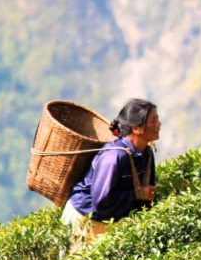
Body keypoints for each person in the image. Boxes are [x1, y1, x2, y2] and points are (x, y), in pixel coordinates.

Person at [61, 98, 159, 251]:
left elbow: (147, 194)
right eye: (154, 121)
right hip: (85, 219)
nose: (159, 125)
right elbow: (101, 201)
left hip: (109, 222)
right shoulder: (113, 157)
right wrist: (138, 194)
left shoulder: (146, 153)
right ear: (136, 128)